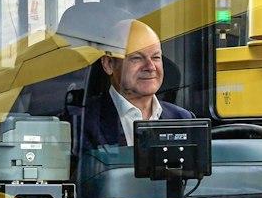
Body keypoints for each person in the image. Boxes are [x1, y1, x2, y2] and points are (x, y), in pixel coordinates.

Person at [70, 17, 193, 150]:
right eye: (137, 58)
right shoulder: (81, 121)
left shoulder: (183, 119)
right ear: (109, 64)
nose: (150, 66)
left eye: (156, 57)